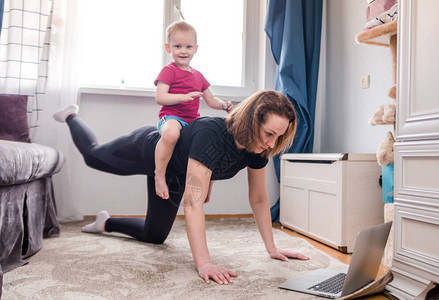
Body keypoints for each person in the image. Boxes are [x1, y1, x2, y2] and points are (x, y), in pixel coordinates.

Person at [53, 90, 309, 285]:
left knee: (155, 236)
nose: (271, 143)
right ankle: (70, 115)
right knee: (93, 156)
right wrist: (205, 264)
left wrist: (272, 248)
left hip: (175, 175)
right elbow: (193, 203)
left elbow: (260, 200)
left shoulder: (258, 149)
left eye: (278, 136)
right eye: (268, 133)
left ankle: (105, 223)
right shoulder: (212, 134)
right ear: (251, 121)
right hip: (149, 150)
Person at [154, 20, 233, 200]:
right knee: (171, 135)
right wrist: (182, 97)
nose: (183, 51)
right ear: (168, 48)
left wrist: (223, 105)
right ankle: (159, 175)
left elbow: (211, 100)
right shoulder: (169, 71)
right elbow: (160, 97)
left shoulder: (198, 76)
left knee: (213, 140)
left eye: (188, 46)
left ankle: (207, 184)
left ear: (195, 49)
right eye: (178, 46)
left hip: (192, 121)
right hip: (172, 117)